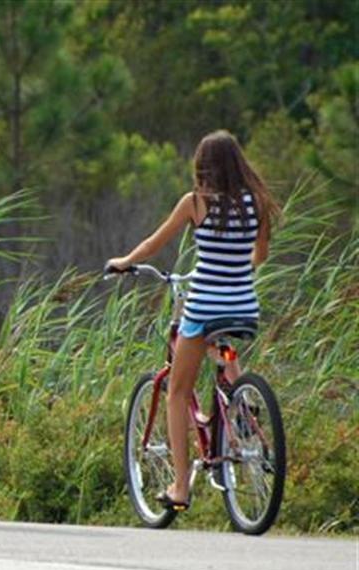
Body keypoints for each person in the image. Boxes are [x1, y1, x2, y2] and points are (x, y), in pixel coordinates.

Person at [106, 129, 280, 510]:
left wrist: (124, 262)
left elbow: (154, 244)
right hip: (244, 306)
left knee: (177, 393)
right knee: (222, 348)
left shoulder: (195, 203)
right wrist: (237, 270)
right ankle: (241, 409)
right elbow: (261, 255)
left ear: (203, 167)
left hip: (203, 306)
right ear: (238, 163)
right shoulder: (257, 202)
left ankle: (180, 487)